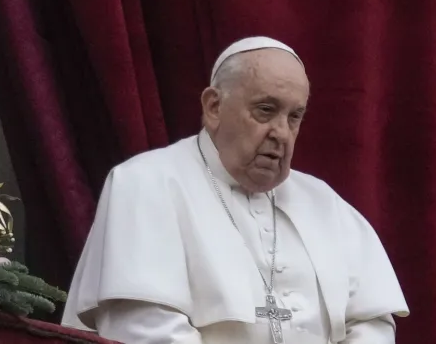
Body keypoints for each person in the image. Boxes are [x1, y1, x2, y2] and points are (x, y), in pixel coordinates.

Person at [61, 37, 408, 343]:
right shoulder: (144, 184)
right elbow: (145, 329)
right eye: (266, 110)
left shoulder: (325, 204)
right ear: (214, 107)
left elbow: (372, 324)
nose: (282, 133)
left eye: (294, 117)